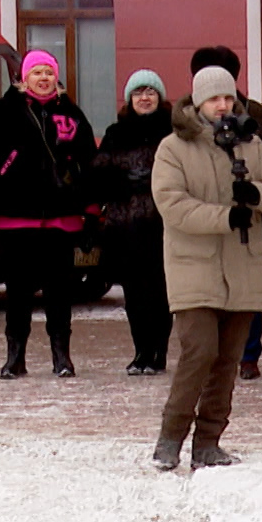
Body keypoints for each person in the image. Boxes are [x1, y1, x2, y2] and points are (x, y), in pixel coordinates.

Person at [149, 65, 262, 469]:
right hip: (194, 267)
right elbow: (172, 204)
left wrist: (256, 194)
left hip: (243, 266)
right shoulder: (173, 148)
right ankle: (170, 438)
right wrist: (225, 217)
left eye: (228, 97)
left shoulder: (251, 144)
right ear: (198, 102)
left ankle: (208, 442)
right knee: (200, 352)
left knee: (228, 360)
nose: (223, 105)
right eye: (214, 98)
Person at [0, 50, 99, 378]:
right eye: (36, 72)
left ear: (56, 77)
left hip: (61, 220)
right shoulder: (1, 113)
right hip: (14, 219)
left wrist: (92, 211)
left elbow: (91, 165)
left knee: (59, 292)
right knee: (18, 292)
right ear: (24, 78)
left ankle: (61, 357)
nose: (43, 78)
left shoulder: (72, 115)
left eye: (48, 72)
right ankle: (15, 357)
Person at [186, 46, 262, 382]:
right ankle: (214, 353)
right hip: (206, 220)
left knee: (247, 290)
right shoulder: (188, 119)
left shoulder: (253, 114)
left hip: (246, 219)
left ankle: (248, 355)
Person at [92, 69, 174, 375]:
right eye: (138, 92)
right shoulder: (116, 133)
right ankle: (141, 351)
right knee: (134, 294)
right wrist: (123, 182)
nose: (144, 98)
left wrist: (152, 182)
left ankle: (159, 352)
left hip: (162, 226)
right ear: (129, 99)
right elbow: (98, 175)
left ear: (160, 97)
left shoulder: (171, 131)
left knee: (161, 292)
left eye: (150, 92)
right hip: (125, 229)